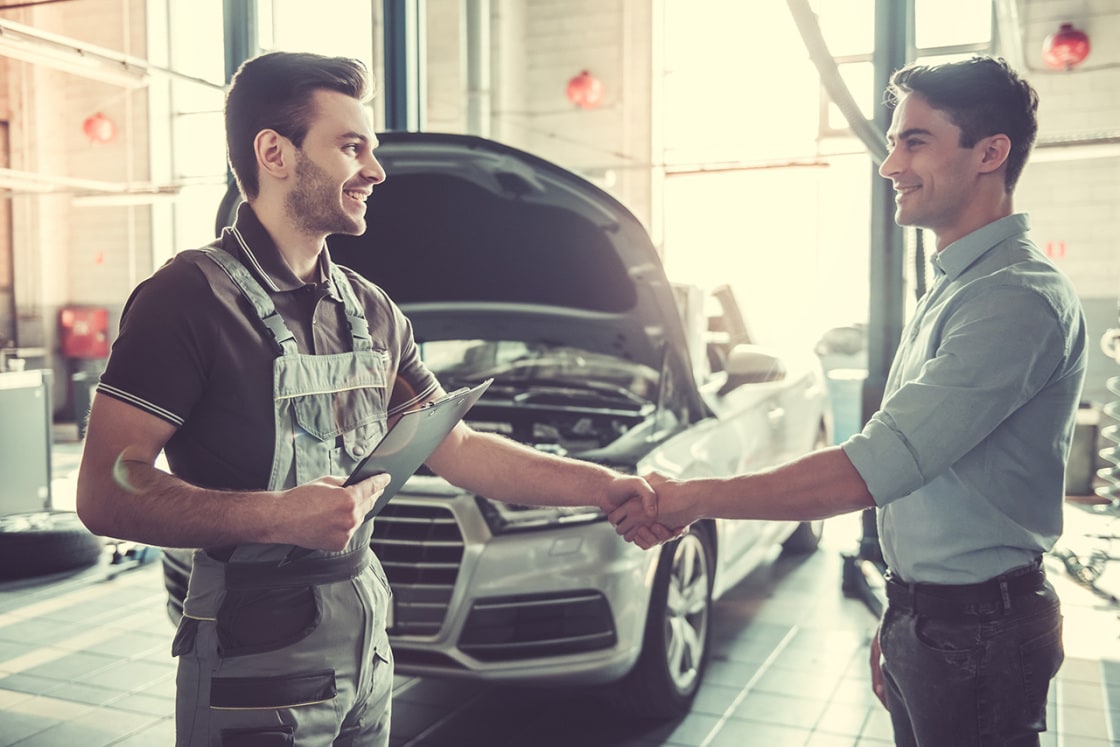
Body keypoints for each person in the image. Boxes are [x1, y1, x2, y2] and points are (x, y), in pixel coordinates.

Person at [76, 50, 656, 747]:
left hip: (367, 643)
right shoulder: (188, 301)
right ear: (275, 153)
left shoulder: (371, 311)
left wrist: (604, 484)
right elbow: (106, 491)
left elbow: (459, 448)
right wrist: (274, 515)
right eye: (352, 147)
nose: (376, 171)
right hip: (253, 659)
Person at [613, 56, 1086, 746]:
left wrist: (695, 496)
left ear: (991, 152)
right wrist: (903, 619)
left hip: (978, 630)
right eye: (894, 141)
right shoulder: (958, 286)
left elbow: (872, 467)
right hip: (937, 619)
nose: (890, 164)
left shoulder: (1013, 299)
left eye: (914, 140)